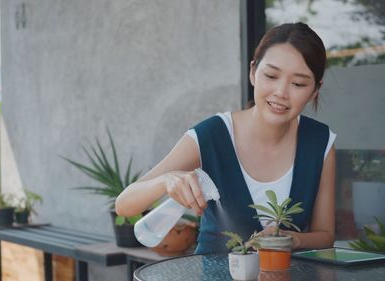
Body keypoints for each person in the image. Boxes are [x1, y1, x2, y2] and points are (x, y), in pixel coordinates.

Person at [116, 22, 335, 254]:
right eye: (271, 75)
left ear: (315, 90)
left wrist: (293, 240)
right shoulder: (212, 135)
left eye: (298, 83)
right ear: (253, 72)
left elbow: (325, 235)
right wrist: (166, 180)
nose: (281, 92)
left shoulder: (320, 143)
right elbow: (124, 204)